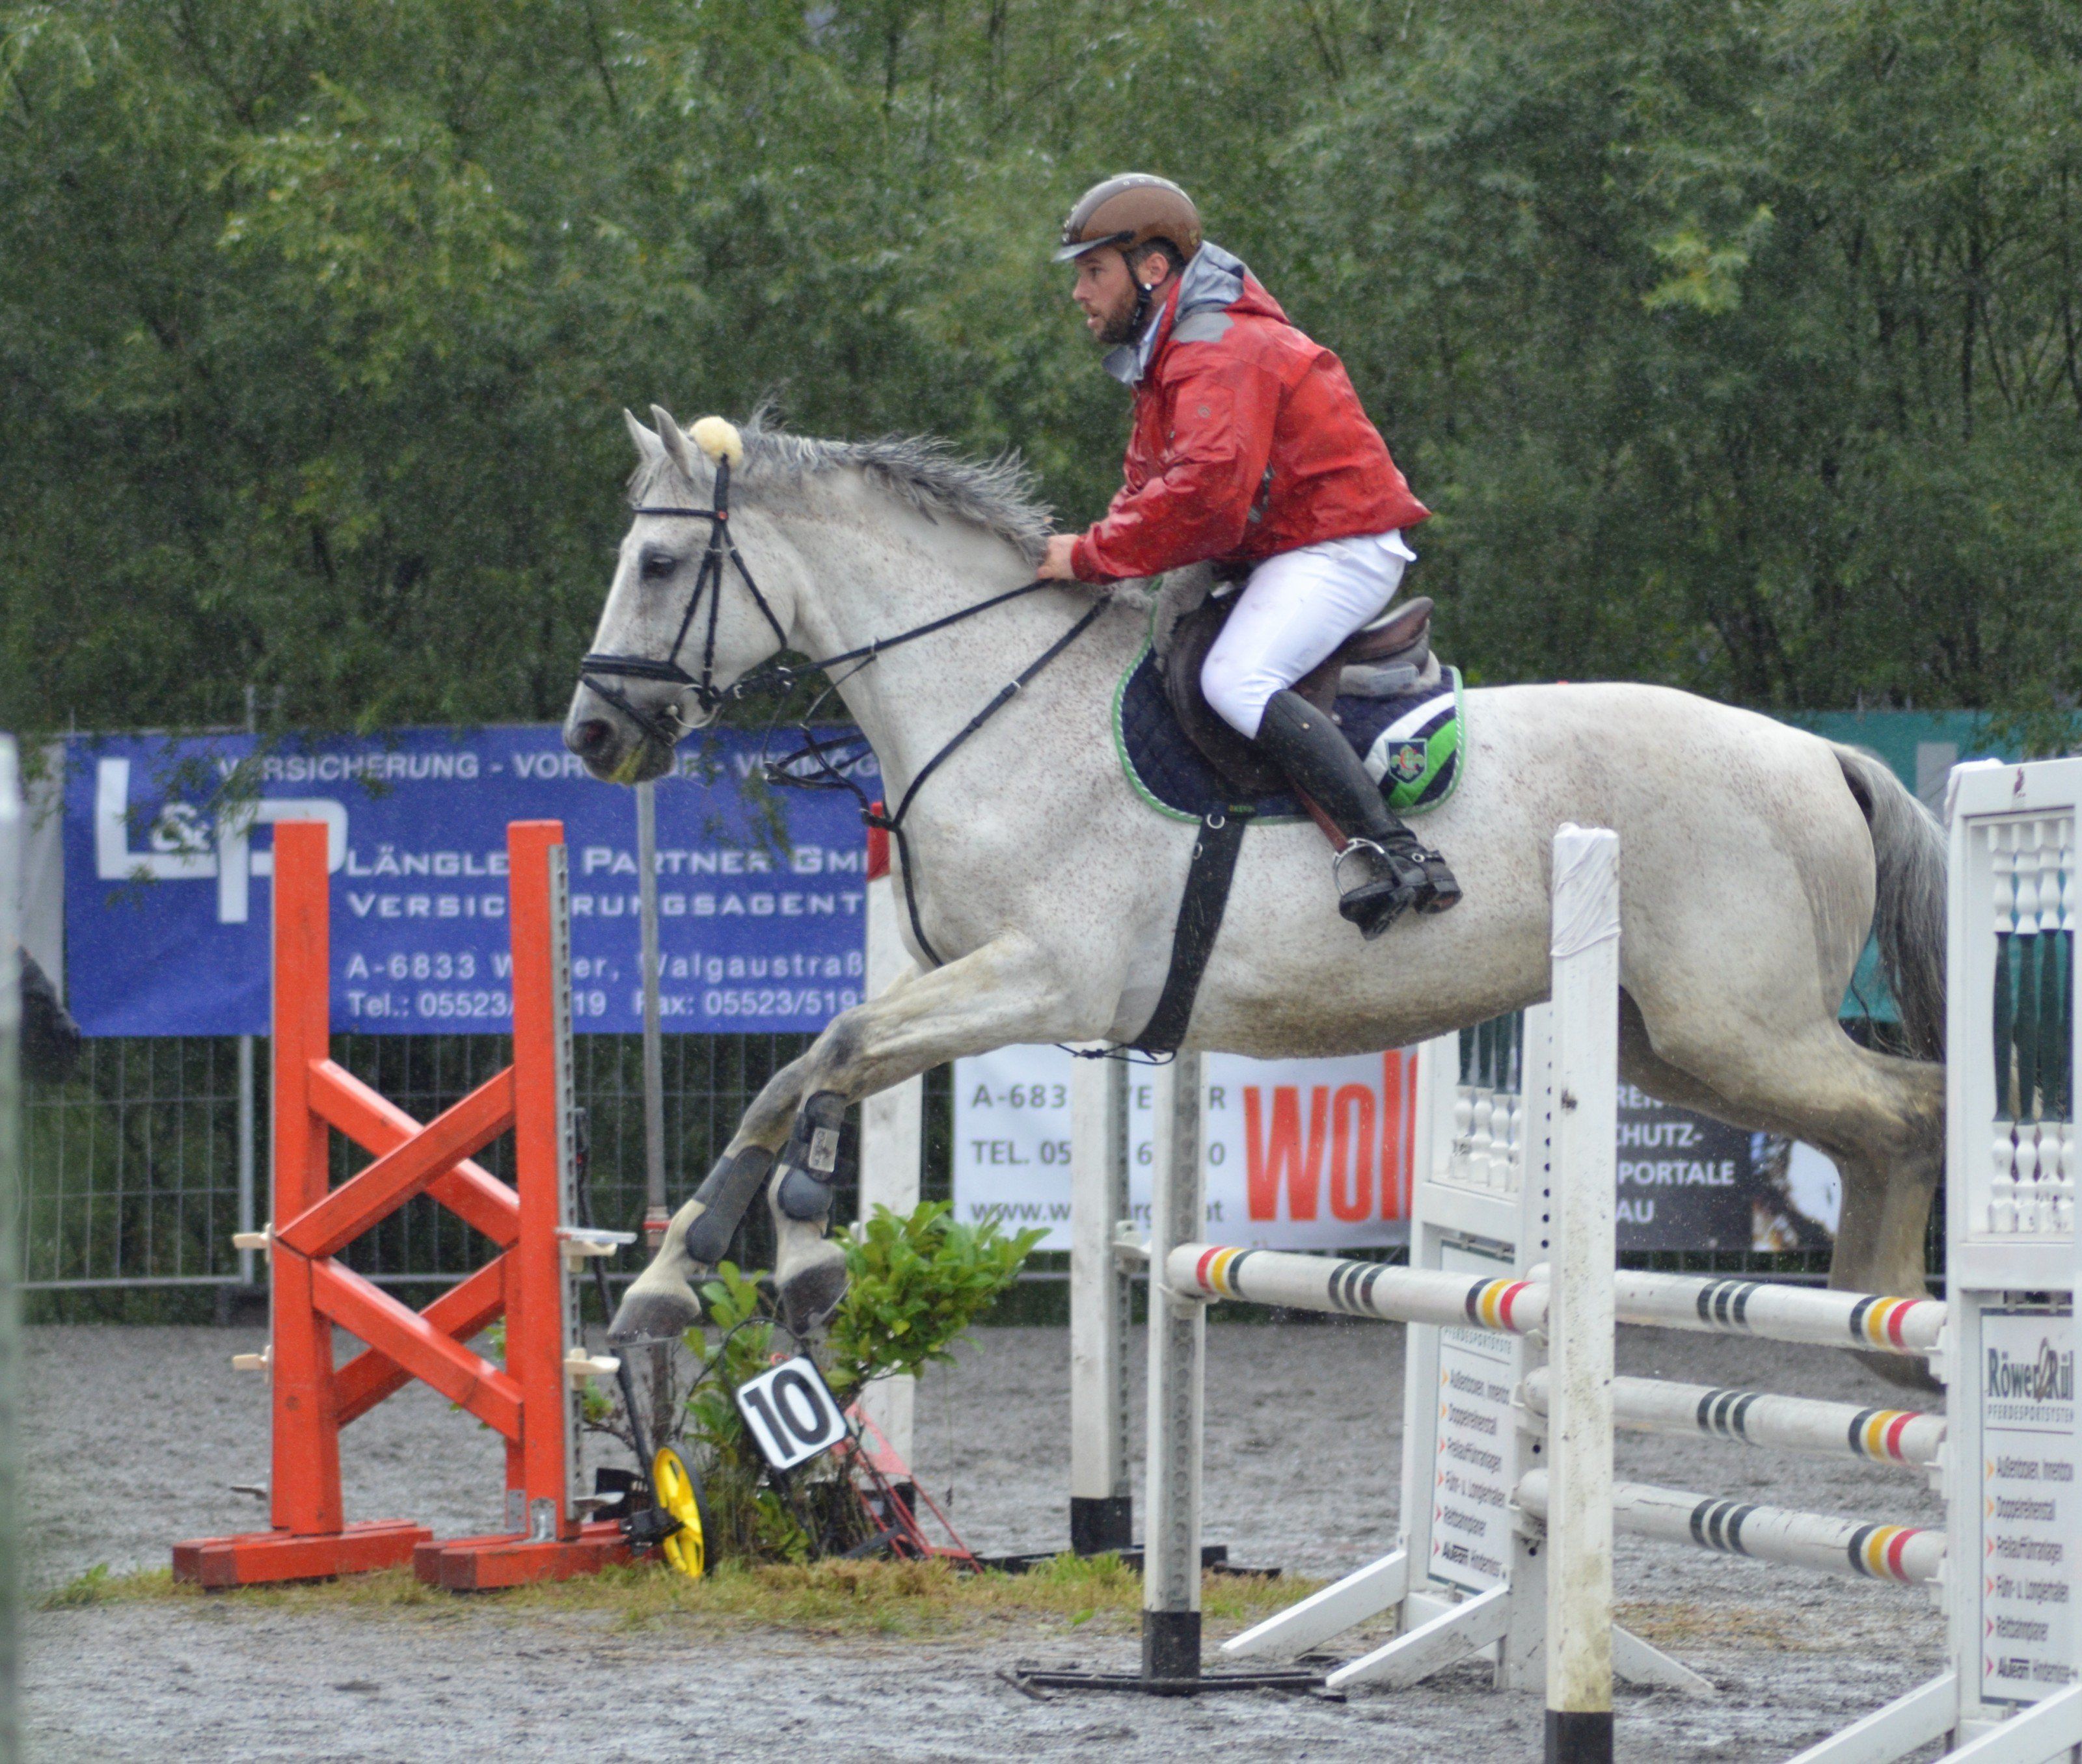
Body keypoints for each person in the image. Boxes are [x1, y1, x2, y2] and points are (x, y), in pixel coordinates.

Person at [1036, 173, 1459, 939]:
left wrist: (1092, 556)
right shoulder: (1166, 348)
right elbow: (1148, 486)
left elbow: (1202, 494)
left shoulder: (1215, 346)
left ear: (1152, 269)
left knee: (1234, 679)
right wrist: (1095, 549)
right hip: (1285, 545)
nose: (1079, 292)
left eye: (1092, 270)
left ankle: (1392, 853)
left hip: (1339, 544)